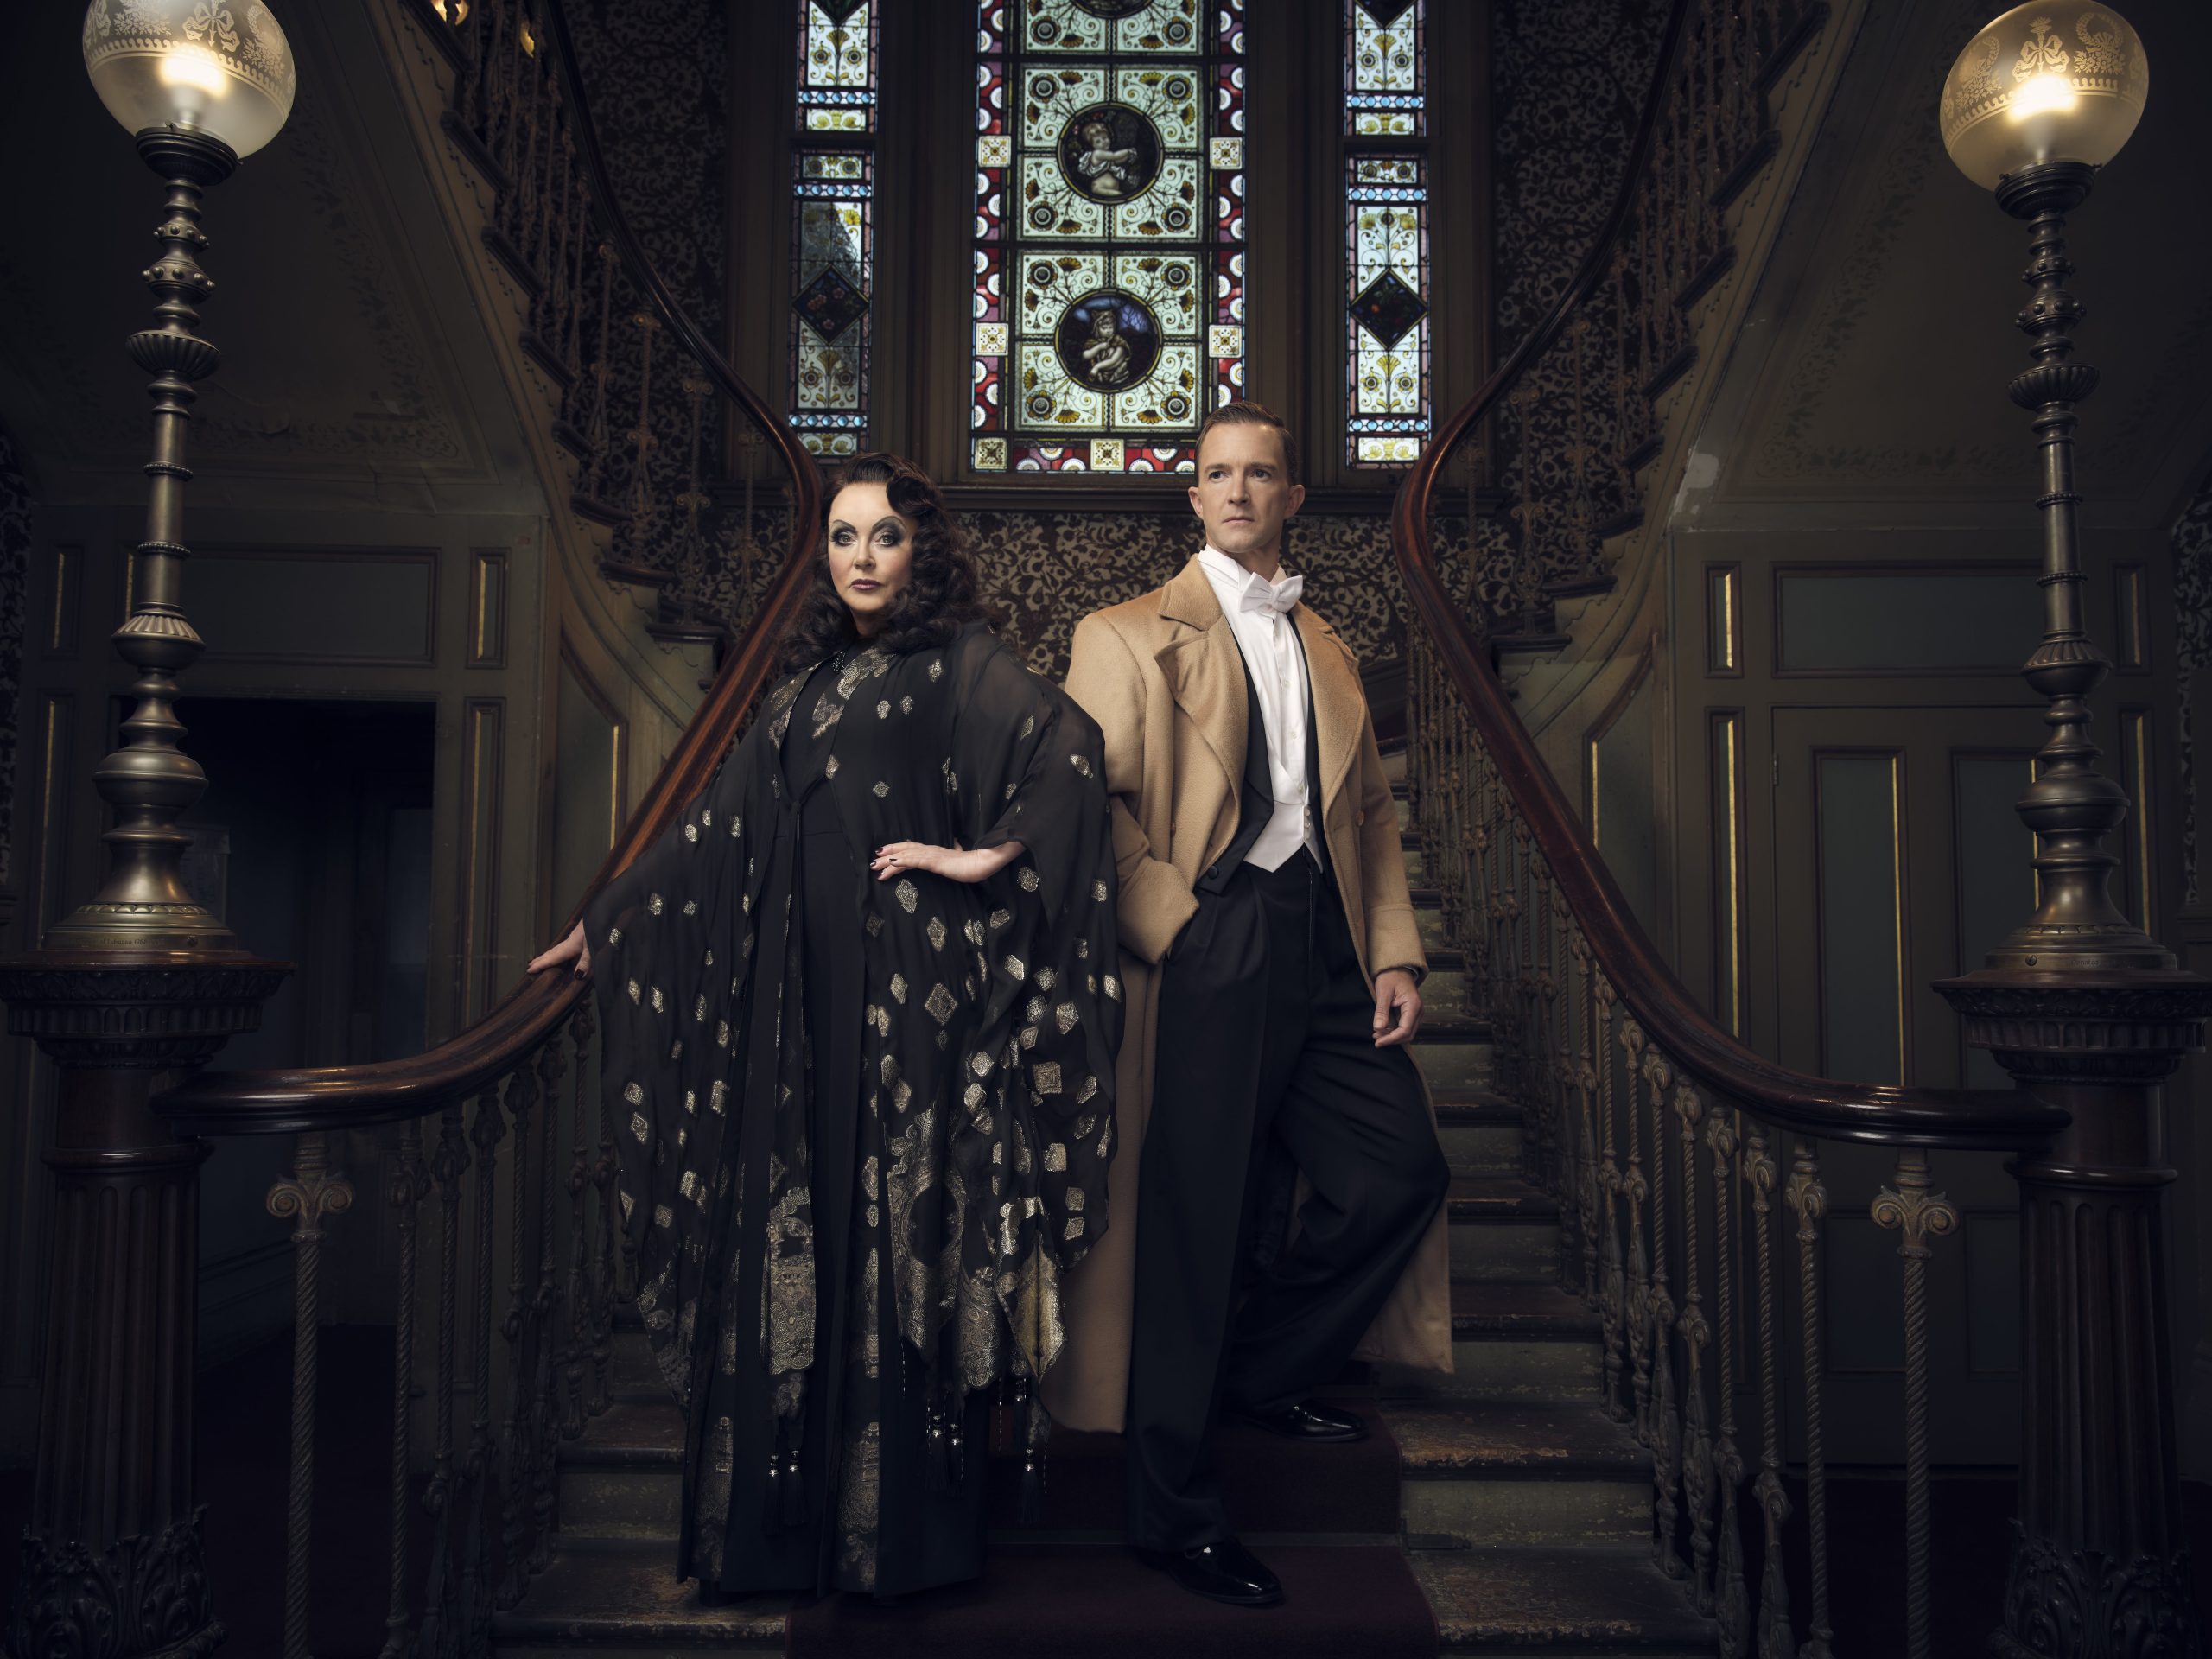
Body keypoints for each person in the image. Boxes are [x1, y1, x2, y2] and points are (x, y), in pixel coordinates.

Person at [529, 454, 1121, 1600]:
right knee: (801, 1238)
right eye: (842, 538)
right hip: (798, 1009)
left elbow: (1073, 750)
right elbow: (713, 831)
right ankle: (783, 1538)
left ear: (922, 553)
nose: (860, 558)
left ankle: (901, 1542)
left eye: (883, 537)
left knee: (899, 1243)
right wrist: (611, 925)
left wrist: (981, 853)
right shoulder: (798, 694)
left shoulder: (963, 667)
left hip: (911, 1007)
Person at [1051, 402, 1452, 1607]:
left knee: (1398, 1172)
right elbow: (1085, 805)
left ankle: (1256, 1366)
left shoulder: (1324, 640)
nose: (1235, 490)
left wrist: (1392, 954)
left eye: (1259, 472)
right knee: (1191, 1227)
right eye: (1215, 473)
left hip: (1323, 946)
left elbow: (1368, 814)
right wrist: (1172, 920)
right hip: (1209, 934)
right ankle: (1172, 1513)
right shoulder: (1121, 635)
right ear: (1195, 501)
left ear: (1292, 499)